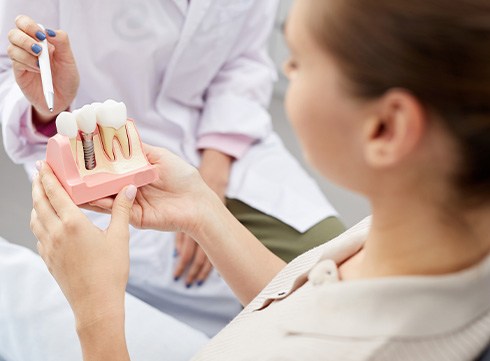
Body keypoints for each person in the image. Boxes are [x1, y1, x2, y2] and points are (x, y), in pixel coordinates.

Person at [29, 0, 490, 359]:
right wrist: (203, 212)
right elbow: (314, 307)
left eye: (298, 61)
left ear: (384, 129)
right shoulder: (416, 238)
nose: (284, 72)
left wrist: (97, 313)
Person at [0, 0, 344, 336]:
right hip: (97, 159)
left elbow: (244, 61)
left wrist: (214, 169)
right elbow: (16, 70)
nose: (291, 70)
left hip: (226, 145)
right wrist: (50, 106)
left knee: (331, 269)